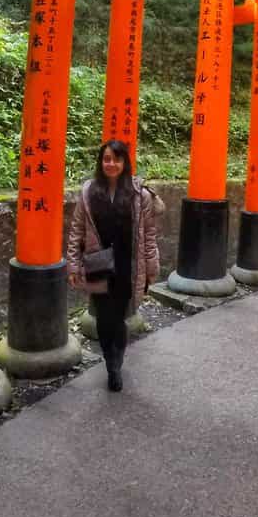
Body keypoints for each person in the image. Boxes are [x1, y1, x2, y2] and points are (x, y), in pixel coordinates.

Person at [65, 140, 160, 391]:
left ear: (125, 163)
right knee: (103, 318)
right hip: (98, 264)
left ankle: (115, 364)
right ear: (101, 161)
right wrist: (73, 266)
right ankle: (111, 360)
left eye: (116, 159)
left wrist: (151, 267)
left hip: (127, 265)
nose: (111, 164)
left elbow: (149, 234)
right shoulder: (88, 191)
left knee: (119, 317)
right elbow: (76, 231)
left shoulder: (139, 194)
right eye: (107, 159)